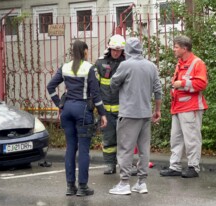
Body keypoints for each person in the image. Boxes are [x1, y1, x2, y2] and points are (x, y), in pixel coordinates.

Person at [47, 40, 107, 197]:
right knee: (84, 149)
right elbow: (95, 93)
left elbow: (50, 87)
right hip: (83, 110)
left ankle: (69, 187)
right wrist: (102, 114)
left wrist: (59, 104)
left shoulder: (65, 67)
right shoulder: (89, 68)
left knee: (70, 148)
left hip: (67, 111)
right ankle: (82, 187)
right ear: (85, 52)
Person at [108, 37, 162, 195]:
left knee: (125, 148)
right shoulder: (151, 66)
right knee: (144, 149)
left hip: (129, 113)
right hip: (146, 113)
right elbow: (158, 89)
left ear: (127, 51)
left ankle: (124, 183)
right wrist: (157, 110)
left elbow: (113, 83)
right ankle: (141, 182)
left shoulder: (126, 65)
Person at [160, 35, 208, 178]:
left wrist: (182, 84)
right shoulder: (180, 63)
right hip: (178, 107)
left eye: (176, 47)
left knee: (192, 138)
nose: (174, 50)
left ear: (184, 48)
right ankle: (174, 166)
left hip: (191, 107)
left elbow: (202, 84)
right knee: (176, 138)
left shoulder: (197, 63)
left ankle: (193, 167)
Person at [94, 34, 126, 175]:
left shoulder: (126, 63)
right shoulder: (100, 63)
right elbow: (95, 86)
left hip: (123, 109)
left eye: (118, 50)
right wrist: (98, 108)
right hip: (106, 110)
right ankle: (109, 164)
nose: (116, 52)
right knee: (108, 139)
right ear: (109, 48)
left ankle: (125, 165)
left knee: (125, 140)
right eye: (113, 49)